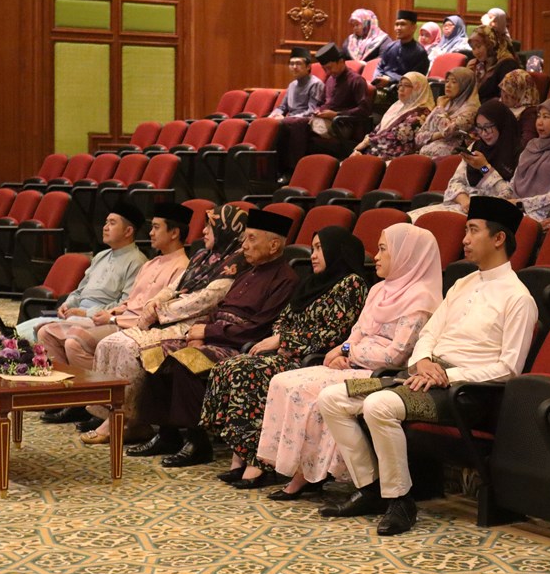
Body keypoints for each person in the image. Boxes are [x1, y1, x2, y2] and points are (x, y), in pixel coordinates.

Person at [318, 196, 538, 536]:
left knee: (378, 405)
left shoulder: (518, 297)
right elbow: (430, 333)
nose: (464, 239)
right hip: (425, 378)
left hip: (467, 393)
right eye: (465, 230)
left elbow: (508, 368)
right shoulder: (462, 284)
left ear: (499, 239)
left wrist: (446, 375)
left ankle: (400, 500)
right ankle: (372, 488)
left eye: (473, 231)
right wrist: (422, 361)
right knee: (331, 399)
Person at [256, 223, 442, 500]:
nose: (375, 257)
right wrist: (342, 350)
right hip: (354, 363)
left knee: (308, 391)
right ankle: (300, 467)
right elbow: (356, 333)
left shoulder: (422, 299)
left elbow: (397, 355)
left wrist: (348, 354)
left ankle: (312, 473)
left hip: (381, 373)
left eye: (382, 249)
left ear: (406, 254)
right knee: (282, 381)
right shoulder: (379, 290)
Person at [127, 208, 299, 467]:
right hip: (214, 335)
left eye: (252, 239)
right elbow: (218, 309)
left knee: (185, 362)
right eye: (245, 238)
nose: (244, 245)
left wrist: (208, 333)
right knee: (155, 351)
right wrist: (199, 331)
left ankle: (197, 441)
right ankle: (167, 433)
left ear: (274, 244)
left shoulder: (286, 279)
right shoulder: (246, 271)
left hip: (240, 344)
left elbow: (260, 328)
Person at [201, 227, 369, 487]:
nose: (313, 255)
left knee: (244, 371)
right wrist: (278, 337)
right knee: (227, 366)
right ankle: (242, 455)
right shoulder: (311, 282)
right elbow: (284, 319)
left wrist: (285, 340)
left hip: (313, 358)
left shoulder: (351, 283)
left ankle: (260, 464)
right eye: (312, 248)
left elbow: (335, 333)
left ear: (338, 250)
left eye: (320, 248)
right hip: (286, 353)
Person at [81, 204, 249, 442]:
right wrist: (154, 303)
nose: (203, 232)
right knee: (110, 343)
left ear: (225, 231)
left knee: (130, 349)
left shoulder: (235, 264)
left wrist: (160, 313)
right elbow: (174, 287)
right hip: (166, 317)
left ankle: (130, 421)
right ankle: (113, 416)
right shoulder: (202, 255)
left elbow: (205, 300)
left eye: (209, 227)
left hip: (191, 324)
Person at [38, 203, 191, 444]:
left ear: (174, 233)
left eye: (156, 228)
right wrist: (113, 312)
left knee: (81, 342)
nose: (150, 233)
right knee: (48, 332)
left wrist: (111, 316)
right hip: (121, 318)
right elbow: (130, 301)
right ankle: (79, 403)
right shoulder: (152, 264)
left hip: (141, 326)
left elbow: (157, 311)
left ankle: (121, 417)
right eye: (151, 227)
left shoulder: (182, 266)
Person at [29, 202, 149, 426]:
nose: (105, 227)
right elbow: (80, 289)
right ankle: (64, 398)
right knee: (45, 333)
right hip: (79, 314)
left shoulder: (137, 261)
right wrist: (68, 304)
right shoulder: (101, 256)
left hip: (103, 318)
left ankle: (91, 402)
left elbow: (125, 303)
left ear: (129, 231)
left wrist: (85, 311)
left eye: (112, 223)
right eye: (105, 222)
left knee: (73, 343)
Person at [408, 99, 522, 220]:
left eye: (488, 127)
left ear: (501, 124)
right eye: (479, 128)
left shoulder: (518, 154)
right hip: (462, 206)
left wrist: (484, 168)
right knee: (408, 219)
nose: (484, 133)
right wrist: (464, 201)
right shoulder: (476, 146)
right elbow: (455, 182)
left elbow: (508, 195)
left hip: (489, 215)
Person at [278, 42, 370, 171]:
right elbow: (321, 103)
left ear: (341, 61)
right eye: (325, 69)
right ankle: (283, 170)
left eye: (330, 67)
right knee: (286, 126)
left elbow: (364, 110)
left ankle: (294, 170)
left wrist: (335, 115)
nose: (328, 71)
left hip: (342, 124)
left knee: (298, 124)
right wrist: (317, 111)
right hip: (323, 120)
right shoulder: (330, 79)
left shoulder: (356, 80)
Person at [351, 72, 434, 160]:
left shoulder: (422, 112)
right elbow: (378, 130)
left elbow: (398, 136)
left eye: (406, 85)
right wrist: (365, 143)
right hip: (378, 147)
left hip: (396, 154)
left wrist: (368, 142)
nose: (401, 89)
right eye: (400, 85)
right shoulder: (397, 105)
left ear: (418, 89)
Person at [415, 66, 480, 159]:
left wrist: (440, 108)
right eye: (447, 81)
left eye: (454, 82)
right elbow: (418, 137)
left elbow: (447, 131)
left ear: (465, 85)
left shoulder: (471, 110)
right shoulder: (446, 103)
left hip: (447, 160)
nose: (448, 85)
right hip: (424, 156)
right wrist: (436, 135)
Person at [372, 10, 430, 89]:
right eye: (396, 24)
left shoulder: (420, 53)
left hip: (401, 90)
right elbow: (380, 66)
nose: (398, 28)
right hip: (382, 85)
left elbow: (415, 79)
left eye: (403, 24)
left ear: (413, 28)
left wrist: (390, 80)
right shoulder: (390, 46)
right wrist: (378, 78)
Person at [467, 25, 521, 103]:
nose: (476, 52)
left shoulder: (507, 64)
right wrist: (468, 74)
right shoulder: (478, 64)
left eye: (478, 47)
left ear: (490, 44)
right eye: (473, 48)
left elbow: (505, 98)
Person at [269, 47, 325, 119]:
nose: (294, 67)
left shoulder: (316, 84)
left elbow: (312, 112)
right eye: (292, 64)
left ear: (308, 67)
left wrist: (286, 118)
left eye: (298, 64)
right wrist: (273, 115)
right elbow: (282, 107)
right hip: (290, 121)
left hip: (304, 123)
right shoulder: (292, 85)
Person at [499, 68, 540, 147]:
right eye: (503, 90)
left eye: (509, 93)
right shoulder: (498, 104)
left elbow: (526, 142)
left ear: (522, 93)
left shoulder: (529, 113)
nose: (504, 97)